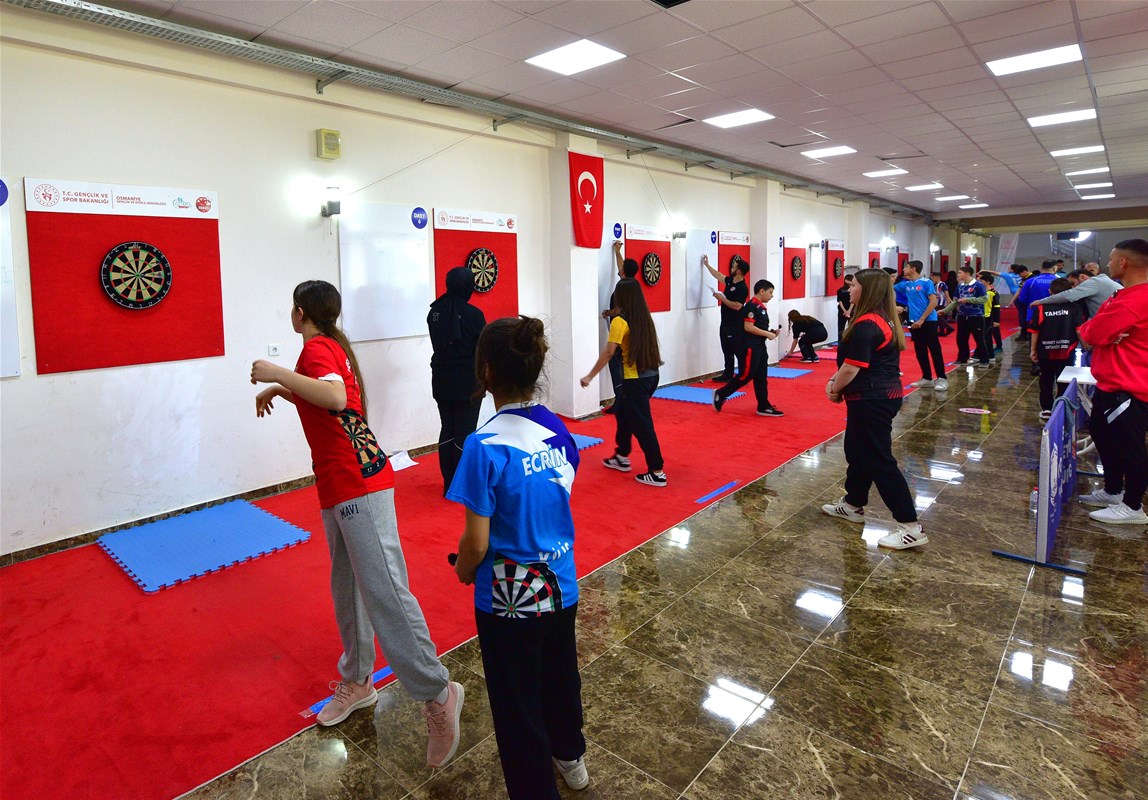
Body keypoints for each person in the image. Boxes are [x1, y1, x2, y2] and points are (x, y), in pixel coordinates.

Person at [251, 280, 463, 765]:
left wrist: (276, 371)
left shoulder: (318, 348)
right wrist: (284, 388)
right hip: (340, 483)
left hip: (357, 483)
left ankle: (438, 692)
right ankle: (358, 680)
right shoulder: (329, 346)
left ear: (299, 312)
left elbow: (334, 398)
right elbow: (330, 401)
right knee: (347, 585)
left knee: (385, 590)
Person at [448, 316, 588, 798]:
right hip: (563, 586)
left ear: (485, 371)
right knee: (560, 677)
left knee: (516, 705)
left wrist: (464, 569)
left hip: (508, 605)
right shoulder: (559, 429)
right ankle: (571, 756)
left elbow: (476, 543)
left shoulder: (483, 445)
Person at [821, 269, 925, 549]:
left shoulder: (868, 324)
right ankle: (853, 503)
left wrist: (834, 387)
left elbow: (852, 367)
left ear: (866, 290)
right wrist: (838, 383)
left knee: (878, 459)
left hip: (873, 399)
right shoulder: (877, 318)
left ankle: (910, 526)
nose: (849, 289)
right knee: (857, 451)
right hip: (872, 396)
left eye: (853, 285)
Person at [1077, 239, 1148, 525]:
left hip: (1129, 387)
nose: (1107, 264)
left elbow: (1092, 334)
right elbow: (1089, 329)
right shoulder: (1122, 295)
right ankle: (1113, 490)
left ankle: (1133, 507)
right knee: (1103, 435)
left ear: (1123, 262)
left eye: (1110, 258)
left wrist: (1099, 334)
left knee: (1129, 445)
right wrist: (1101, 333)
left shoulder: (1137, 300)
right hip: (1110, 383)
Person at [581, 279, 667, 486]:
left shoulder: (620, 321)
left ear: (620, 297)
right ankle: (621, 456)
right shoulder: (643, 318)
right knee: (623, 412)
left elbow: (609, 352)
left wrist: (590, 376)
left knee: (641, 424)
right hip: (651, 376)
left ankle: (657, 471)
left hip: (634, 380)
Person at [428, 267, 487, 495]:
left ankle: (449, 484)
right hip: (468, 382)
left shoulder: (434, 312)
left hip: (441, 380)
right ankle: (462, 486)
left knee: (448, 429)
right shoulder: (474, 315)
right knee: (465, 432)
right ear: (468, 286)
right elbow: (483, 350)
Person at [712, 279, 783, 417]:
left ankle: (763, 405)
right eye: (770, 292)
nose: (772, 296)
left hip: (760, 346)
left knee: (761, 376)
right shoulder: (751, 306)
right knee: (746, 374)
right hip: (751, 347)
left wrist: (770, 332)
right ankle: (721, 394)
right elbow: (748, 327)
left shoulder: (760, 307)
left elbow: (757, 327)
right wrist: (767, 334)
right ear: (761, 291)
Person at [1029, 278, 1081, 419]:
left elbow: (1035, 331)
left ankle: (1046, 408)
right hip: (1067, 350)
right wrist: (1085, 345)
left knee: (1045, 380)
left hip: (1045, 351)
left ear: (1050, 291)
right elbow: (1079, 329)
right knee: (1064, 380)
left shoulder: (1041, 307)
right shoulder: (1074, 307)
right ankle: (1060, 407)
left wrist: (1033, 350)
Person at [600, 242, 640, 415]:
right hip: (630, 331)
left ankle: (620, 399)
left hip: (622, 333)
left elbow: (618, 309)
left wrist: (607, 313)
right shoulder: (632, 283)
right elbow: (622, 266)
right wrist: (617, 251)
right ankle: (626, 398)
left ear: (624, 272)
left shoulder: (623, 288)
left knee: (615, 363)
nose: (620, 268)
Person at [895, 260, 947, 390]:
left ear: (913, 269)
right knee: (920, 350)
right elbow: (889, 286)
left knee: (934, 349)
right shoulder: (906, 284)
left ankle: (942, 378)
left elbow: (933, 302)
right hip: (913, 321)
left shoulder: (926, 282)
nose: (904, 269)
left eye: (906, 267)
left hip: (928, 321)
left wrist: (922, 319)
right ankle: (927, 378)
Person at [703, 253, 749, 381]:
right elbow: (718, 275)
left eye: (734, 267)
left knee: (737, 349)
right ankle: (728, 374)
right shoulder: (730, 281)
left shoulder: (742, 288)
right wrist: (707, 265)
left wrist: (722, 298)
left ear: (738, 271)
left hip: (735, 324)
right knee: (726, 349)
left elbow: (737, 306)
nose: (731, 268)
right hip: (725, 322)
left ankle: (744, 374)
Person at [938, 264, 990, 367]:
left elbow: (984, 299)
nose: (958, 275)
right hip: (962, 316)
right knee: (961, 339)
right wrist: (944, 311)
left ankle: (984, 360)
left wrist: (968, 300)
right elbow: (955, 302)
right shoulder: (960, 286)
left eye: (960, 273)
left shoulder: (978, 285)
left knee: (979, 339)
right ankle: (962, 359)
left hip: (976, 317)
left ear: (967, 273)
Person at [1029, 266, 1121, 320]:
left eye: (1073, 283)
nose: (1073, 288)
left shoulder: (1094, 282)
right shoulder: (1101, 281)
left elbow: (1068, 296)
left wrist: (1041, 301)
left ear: (1082, 277)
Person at [978, 271, 1003, 356]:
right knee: (984, 335)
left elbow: (996, 308)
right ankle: (986, 352)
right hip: (982, 316)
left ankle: (993, 350)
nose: (979, 281)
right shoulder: (982, 292)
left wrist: (996, 320)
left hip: (989, 317)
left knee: (989, 334)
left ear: (987, 282)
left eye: (981, 280)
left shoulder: (993, 293)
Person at [1011, 264, 1034, 341]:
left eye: (1020, 274)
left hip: (1029, 302)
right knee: (1023, 318)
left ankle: (1027, 334)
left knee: (1027, 318)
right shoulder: (1024, 279)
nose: (1020, 276)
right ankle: (1024, 334)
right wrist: (1013, 299)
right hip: (1023, 302)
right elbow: (1019, 290)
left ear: (1024, 271)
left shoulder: (1033, 278)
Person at [836, 273, 853, 341]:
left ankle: (849, 342)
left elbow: (853, 301)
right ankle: (841, 342)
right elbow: (840, 301)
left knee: (851, 328)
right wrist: (846, 311)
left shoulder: (853, 290)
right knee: (841, 329)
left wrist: (848, 311)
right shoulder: (840, 290)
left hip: (850, 311)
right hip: (843, 311)